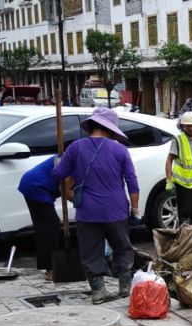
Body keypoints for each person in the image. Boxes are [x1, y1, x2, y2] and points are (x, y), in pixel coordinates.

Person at [50, 108, 140, 304]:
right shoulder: (120, 150)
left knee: (91, 251)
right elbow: (132, 183)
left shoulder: (75, 148)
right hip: (115, 209)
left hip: (87, 211)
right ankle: (125, 288)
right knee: (122, 248)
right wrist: (135, 210)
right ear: (109, 129)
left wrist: (63, 162)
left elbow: (58, 175)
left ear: (92, 125)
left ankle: (98, 292)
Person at [17, 156, 62, 281]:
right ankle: (50, 268)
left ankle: (49, 267)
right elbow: (63, 187)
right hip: (36, 186)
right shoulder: (77, 158)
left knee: (45, 227)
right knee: (50, 226)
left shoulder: (77, 153)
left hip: (32, 183)